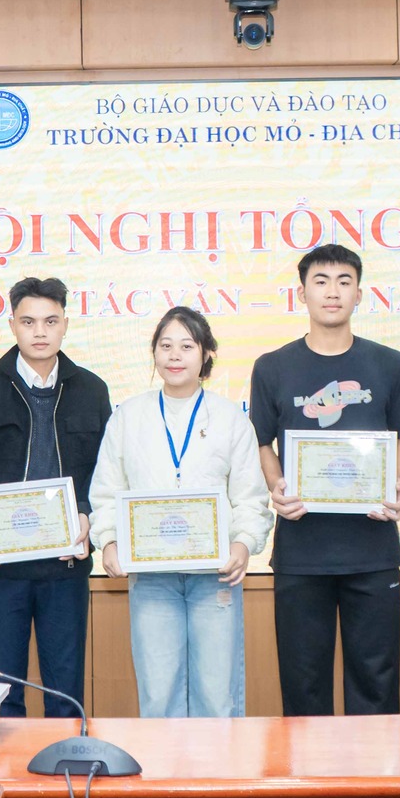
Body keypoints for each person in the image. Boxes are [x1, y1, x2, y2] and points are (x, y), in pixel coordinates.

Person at [249, 244, 400, 716]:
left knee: (376, 683)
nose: (333, 292)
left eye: (344, 281)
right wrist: (278, 488)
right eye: (320, 281)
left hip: (372, 548)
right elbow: (261, 442)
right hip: (302, 551)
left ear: (359, 293)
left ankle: (376, 767)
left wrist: (394, 484)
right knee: (303, 686)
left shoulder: (388, 363)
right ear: (302, 293)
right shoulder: (273, 366)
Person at [92, 306, 272, 717]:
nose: (175, 355)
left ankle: (219, 763)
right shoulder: (128, 417)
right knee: (159, 694)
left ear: (206, 354)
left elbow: (250, 496)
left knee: (217, 694)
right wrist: (110, 540)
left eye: (187, 346)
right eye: (165, 345)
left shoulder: (230, 419)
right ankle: (162, 763)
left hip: (215, 576)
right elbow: (107, 490)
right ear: (154, 353)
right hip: (151, 577)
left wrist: (244, 544)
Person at [0, 278, 112, 718]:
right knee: (3, 693)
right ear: (12, 325)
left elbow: (103, 473)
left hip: (64, 567)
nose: (40, 332)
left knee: (65, 691)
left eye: (50, 321)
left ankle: (66, 763)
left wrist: (86, 515)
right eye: (28, 322)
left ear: (65, 325)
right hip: (0, 568)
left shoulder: (91, 389)